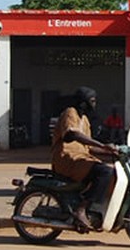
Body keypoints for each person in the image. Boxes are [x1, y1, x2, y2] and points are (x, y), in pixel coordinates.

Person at [51, 86, 118, 229]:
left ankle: (93, 211)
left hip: (81, 158)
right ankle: (81, 209)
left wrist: (111, 152)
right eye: (92, 101)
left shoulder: (85, 120)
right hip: (67, 159)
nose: (94, 105)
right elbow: (72, 134)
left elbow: (89, 148)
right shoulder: (70, 113)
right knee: (105, 172)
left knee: (109, 172)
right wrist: (102, 144)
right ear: (83, 102)